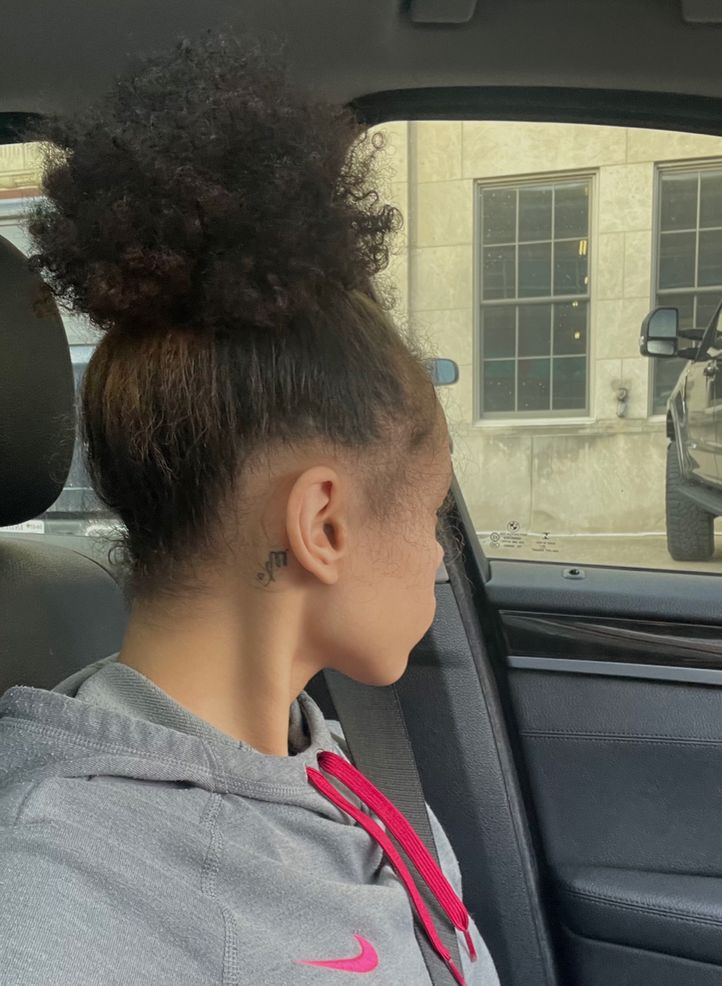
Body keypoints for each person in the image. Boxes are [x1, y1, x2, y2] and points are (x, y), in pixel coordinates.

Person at [0, 35, 500, 986]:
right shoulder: (59, 897)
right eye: (432, 515)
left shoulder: (351, 777)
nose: (439, 558)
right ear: (324, 525)